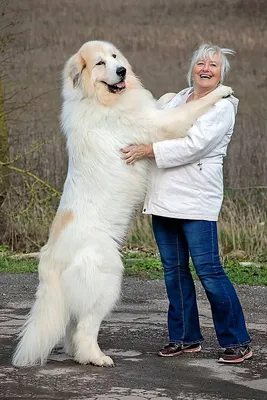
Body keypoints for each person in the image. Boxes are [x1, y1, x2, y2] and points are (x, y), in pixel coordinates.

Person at [121, 43, 252, 364]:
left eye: (214, 65)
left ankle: (237, 340)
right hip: (163, 198)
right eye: (201, 63)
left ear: (221, 75)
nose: (206, 68)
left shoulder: (222, 106)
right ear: (192, 68)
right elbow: (151, 124)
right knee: (174, 272)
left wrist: (148, 149)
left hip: (196, 201)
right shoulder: (177, 100)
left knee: (209, 271)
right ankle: (184, 337)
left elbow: (194, 145)